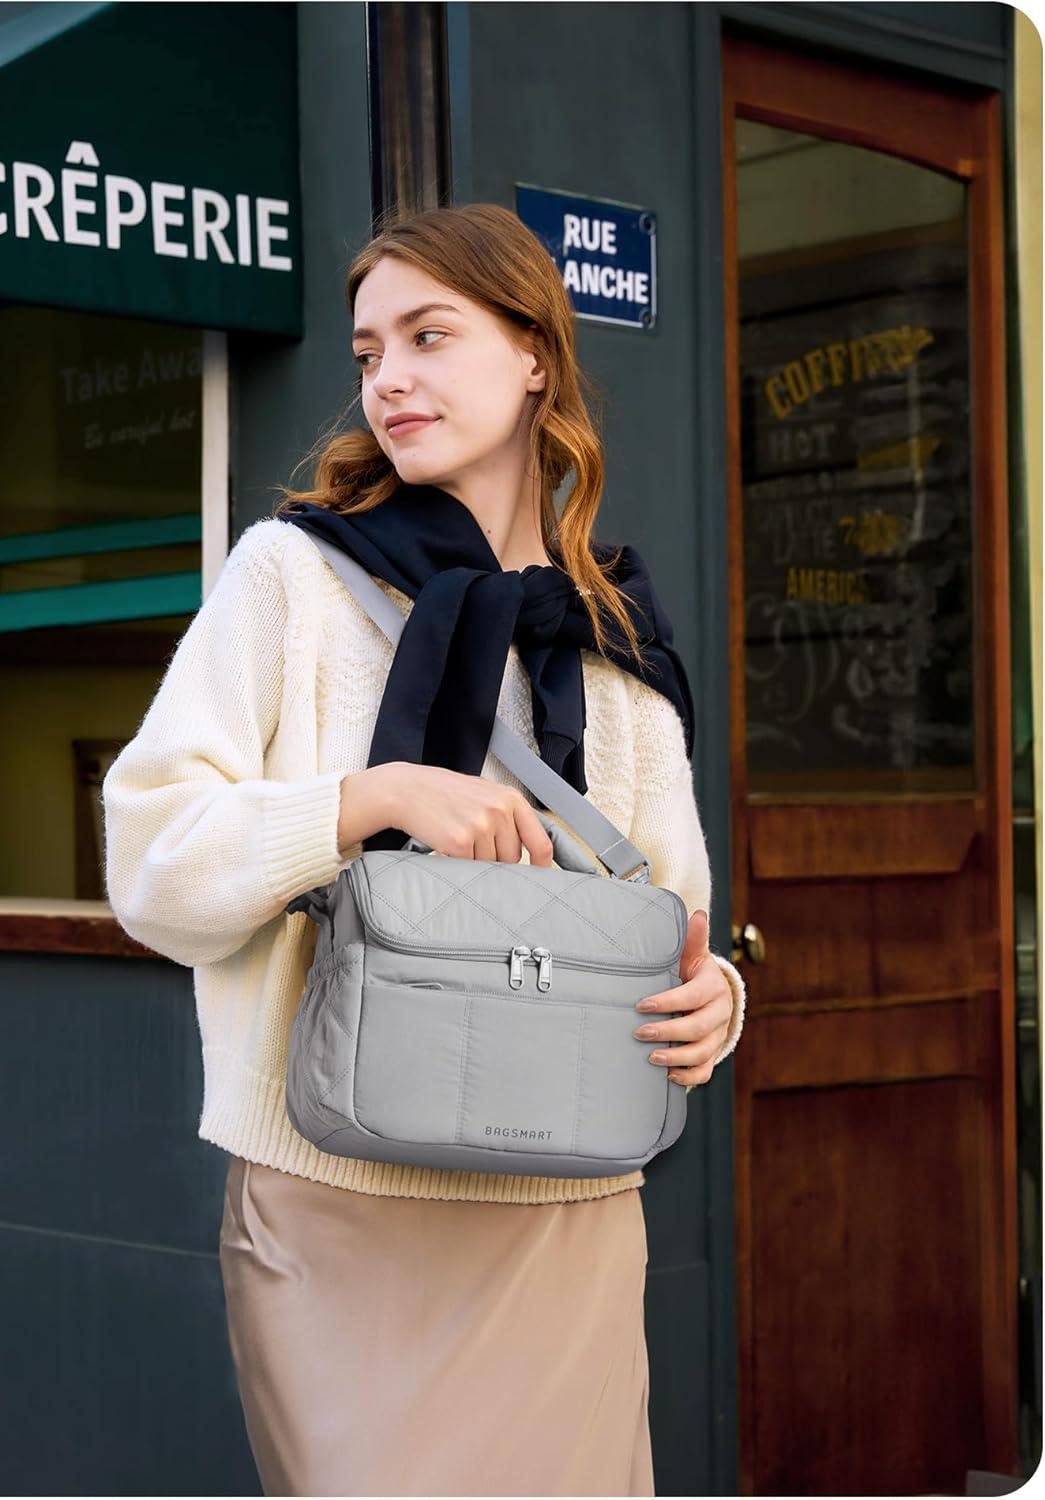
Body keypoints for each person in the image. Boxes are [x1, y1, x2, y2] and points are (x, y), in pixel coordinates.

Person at [102, 202, 747, 1498]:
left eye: (428, 335)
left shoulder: (614, 641)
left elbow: (670, 919)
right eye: (367, 351)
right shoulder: (292, 578)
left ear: (534, 356)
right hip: (336, 1209)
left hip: (564, 1215)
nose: (387, 377)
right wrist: (365, 798)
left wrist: (715, 1000)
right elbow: (151, 867)